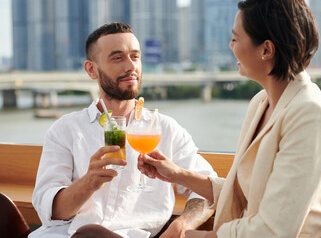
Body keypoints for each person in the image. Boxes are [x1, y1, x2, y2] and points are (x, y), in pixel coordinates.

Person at [139, 0, 321, 237]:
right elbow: (245, 193)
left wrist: (190, 235)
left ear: (266, 49)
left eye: (235, 38)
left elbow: (273, 231)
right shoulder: (261, 102)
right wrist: (175, 173)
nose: (230, 45)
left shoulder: (310, 114)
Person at [29, 22, 217, 238]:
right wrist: (88, 183)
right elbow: (51, 211)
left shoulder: (165, 129)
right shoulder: (65, 130)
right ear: (91, 69)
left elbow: (208, 190)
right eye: (117, 58)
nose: (131, 66)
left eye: (135, 57)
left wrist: (182, 225)